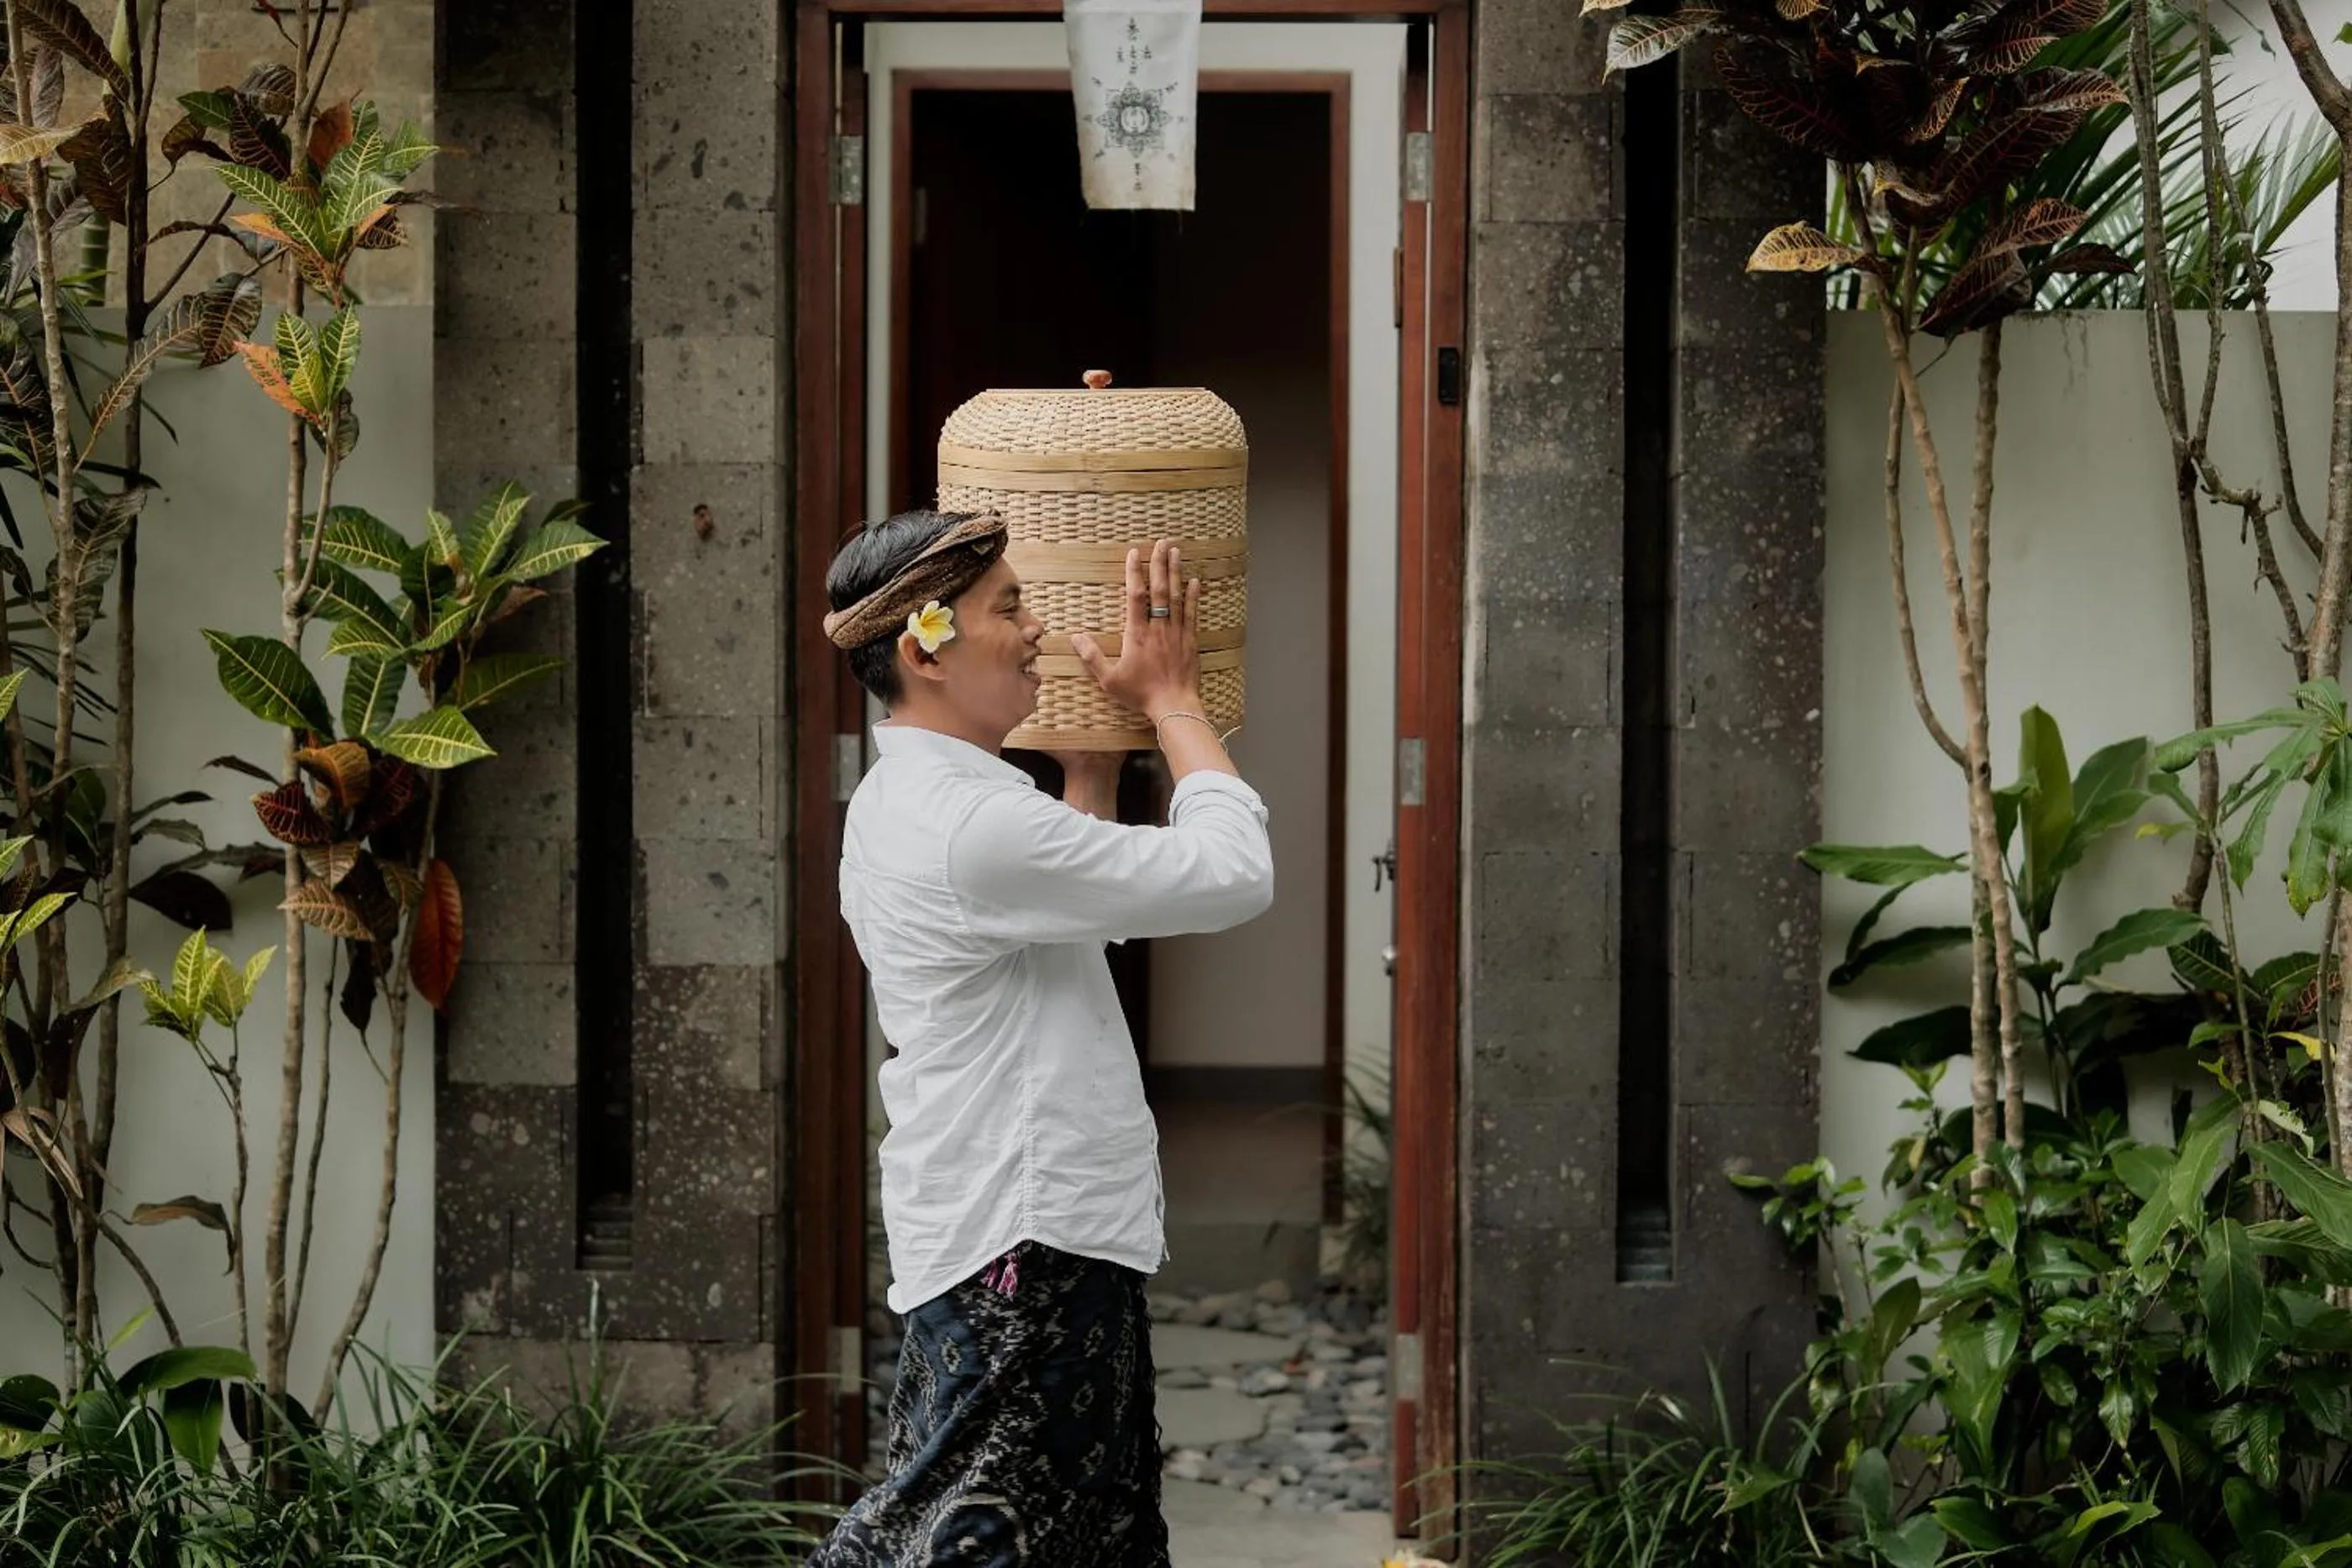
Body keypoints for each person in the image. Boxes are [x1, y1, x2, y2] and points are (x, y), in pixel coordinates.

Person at [806, 508, 1276, 1567]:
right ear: (925, 646)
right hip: (1026, 1242)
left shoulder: (927, 801)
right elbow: (1233, 876)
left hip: (1003, 1226)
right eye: (1009, 607)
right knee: (961, 1541)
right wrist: (1175, 703)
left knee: (1082, 1536)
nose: (1036, 631)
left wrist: (1091, 780)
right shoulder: (974, 825)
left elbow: (1072, 917)